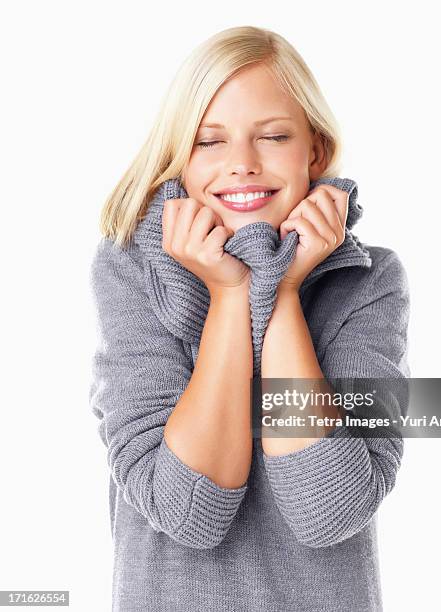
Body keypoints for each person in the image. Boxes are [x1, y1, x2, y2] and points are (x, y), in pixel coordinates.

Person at [89, 25, 410, 612]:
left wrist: (280, 292)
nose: (241, 164)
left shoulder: (369, 279)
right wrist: (231, 295)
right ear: (179, 156)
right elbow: (186, 509)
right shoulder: (131, 269)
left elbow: (329, 509)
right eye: (210, 142)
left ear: (313, 150)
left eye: (272, 135)